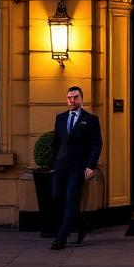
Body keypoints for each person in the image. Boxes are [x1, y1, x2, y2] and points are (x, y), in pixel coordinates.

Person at [48, 85, 101, 250]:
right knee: (57, 197)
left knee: (71, 199)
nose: (72, 100)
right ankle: (82, 225)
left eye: (75, 97)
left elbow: (96, 144)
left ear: (81, 98)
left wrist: (91, 166)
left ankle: (61, 238)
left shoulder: (91, 120)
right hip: (60, 166)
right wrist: (53, 164)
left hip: (78, 168)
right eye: (69, 97)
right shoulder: (60, 118)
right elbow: (56, 143)